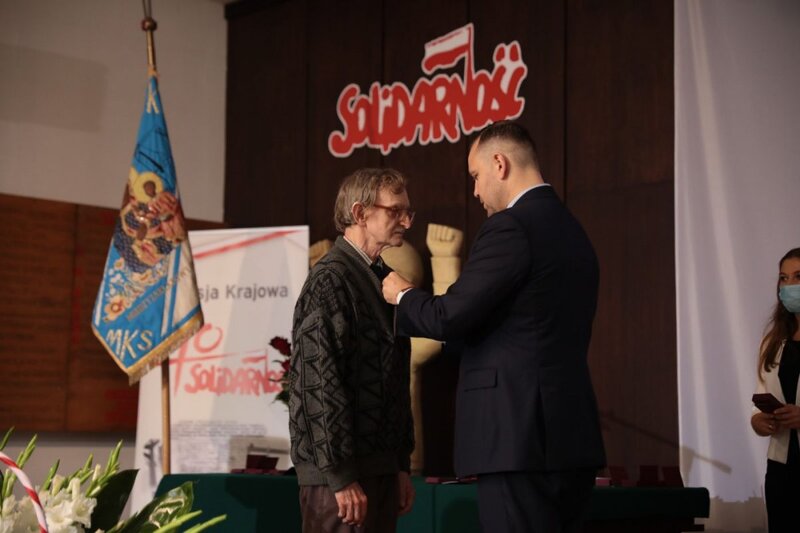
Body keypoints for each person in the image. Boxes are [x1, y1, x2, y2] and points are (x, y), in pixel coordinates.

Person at [382, 120, 606, 532]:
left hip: (517, 440)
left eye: (476, 176)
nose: (476, 192)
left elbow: (450, 314)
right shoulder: (574, 231)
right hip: (569, 437)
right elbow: (519, 324)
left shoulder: (511, 226)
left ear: (499, 164)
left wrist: (401, 295)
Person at [287, 168, 416, 532]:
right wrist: (340, 476)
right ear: (360, 213)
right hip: (340, 481)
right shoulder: (327, 281)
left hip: (379, 469)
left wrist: (400, 464)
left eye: (408, 211)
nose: (406, 220)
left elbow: (395, 379)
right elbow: (318, 385)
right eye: (395, 211)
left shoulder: (385, 279)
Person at [751, 247, 800, 533]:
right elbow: (759, 398)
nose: (790, 286)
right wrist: (758, 419)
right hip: (781, 467)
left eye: (798, 277)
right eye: (784, 278)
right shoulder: (773, 341)